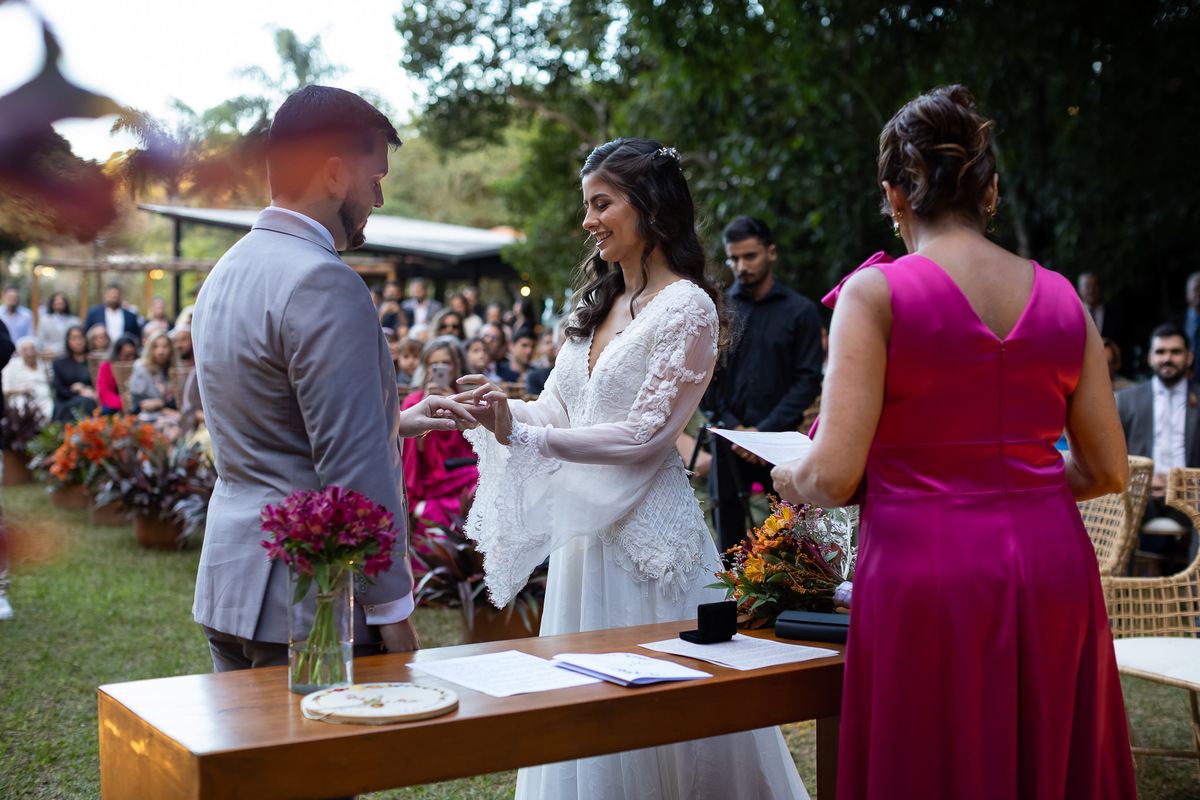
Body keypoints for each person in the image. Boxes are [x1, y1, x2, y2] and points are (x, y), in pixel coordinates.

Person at [770, 85, 1136, 799]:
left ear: (894, 195)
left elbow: (835, 475)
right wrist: (1014, 486)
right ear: (990, 190)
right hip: (1053, 566)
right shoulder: (1064, 297)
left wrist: (790, 473)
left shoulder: (874, 296)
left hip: (926, 574)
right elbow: (1107, 469)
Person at [459, 137, 807, 800]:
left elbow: (648, 436)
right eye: (586, 205)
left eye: (601, 203)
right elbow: (559, 410)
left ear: (649, 206)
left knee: (669, 725)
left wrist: (526, 439)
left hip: (651, 555)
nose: (588, 219)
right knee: (586, 723)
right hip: (586, 544)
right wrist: (499, 410)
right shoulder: (595, 304)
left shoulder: (689, 308)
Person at [191, 85, 472, 675]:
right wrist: (392, 607)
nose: (380, 196)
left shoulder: (226, 271)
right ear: (337, 174)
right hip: (308, 595)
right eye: (376, 178)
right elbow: (351, 466)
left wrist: (390, 421)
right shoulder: (325, 281)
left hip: (231, 581)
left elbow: (275, 420)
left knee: (248, 768)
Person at [702, 216, 824, 555]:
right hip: (729, 439)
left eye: (750, 256)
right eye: (734, 258)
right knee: (727, 540)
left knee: (793, 538)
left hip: (781, 441)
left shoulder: (801, 311)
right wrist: (735, 428)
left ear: (771, 252)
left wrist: (763, 431)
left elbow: (807, 381)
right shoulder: (720, 309)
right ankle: (733, 606)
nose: (741, 266)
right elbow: (706, 377)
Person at [1115, 323, 1199, 571]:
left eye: (1175, 351)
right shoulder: (1128, 400)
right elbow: (1115, 453)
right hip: (1141, 494)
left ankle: (1197, 605)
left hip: (1192, 494)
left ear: (1189, 356)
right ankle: (1120, 600)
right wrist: (1140, 481)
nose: (1168, 358)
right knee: (1116, 511)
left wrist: (1180, 482)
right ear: (1150, 357)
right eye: (1161, 352)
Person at [402, 338, 478, 545]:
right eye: (434, 364)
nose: (440, 368)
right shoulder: (413, 402)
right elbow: (414, 453)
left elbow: (474, 448)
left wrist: (455, 404)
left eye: (446, 363)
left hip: (461, 474)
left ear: (455, 366)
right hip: (430, 479)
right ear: (426, 368)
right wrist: (427, 410)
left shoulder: (465, 400)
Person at [129, 329, 181, 427]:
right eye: (156, 347)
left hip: (170, 413)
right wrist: (161, 406)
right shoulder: (141, 368)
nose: (161, 351)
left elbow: (178, 401)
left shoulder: (174, 370)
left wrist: (161, 404)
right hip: (147, 417)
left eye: (165, 346)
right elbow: (139, 403)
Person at [50, 325, 98, 422]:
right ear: (68, 341)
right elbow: (59, 390)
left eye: (81, 338)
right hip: (68, 402)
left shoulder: (93, 361)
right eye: (74, 338)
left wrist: (92, 391)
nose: (78, 342)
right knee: (86, 402)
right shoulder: (60, 363)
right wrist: (77, 391)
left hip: (93, 398)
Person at [3, 336, 53, 419]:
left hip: (45, 401)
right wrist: (21, 390)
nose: (30, 353)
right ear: (20, 352)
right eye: (26, 350)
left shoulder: (44, 365)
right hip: (21, 399)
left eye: (32, 349)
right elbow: (5, 390)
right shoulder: (12, 365)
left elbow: (51, 384)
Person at [96, 335, 138, 415]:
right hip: (114, 405)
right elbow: (104, 392)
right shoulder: (107, 367)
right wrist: (123, 402)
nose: (131, 358)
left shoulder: (138, 366)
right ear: (118, 354)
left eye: (133, 355)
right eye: (127, 356)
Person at [36, 292, 79, 356]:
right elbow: (40, 338)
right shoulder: (44, 320)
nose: (59, 306)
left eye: (61, 303)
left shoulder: (74, 321)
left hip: (68, 355)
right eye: (56, 303)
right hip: (48, 355)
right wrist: (49, 349)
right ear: (52, 304)